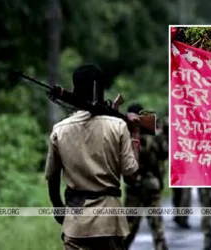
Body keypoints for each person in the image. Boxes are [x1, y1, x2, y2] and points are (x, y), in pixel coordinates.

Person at [44, 64, 141, 250]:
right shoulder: (118, 126)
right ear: (100, 91)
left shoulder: (60, 130)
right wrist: (135, 133)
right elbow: (131, 177)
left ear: (74, 90)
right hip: (109, 225)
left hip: (76, 224)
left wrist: (58, 208)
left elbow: (53, 178)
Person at [124, 104, 168, 250]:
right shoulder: (153, 135)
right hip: (152, 184)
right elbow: (165, 154)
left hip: (134, 186)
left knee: (128, 227)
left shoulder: (127, 135)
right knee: (157, 226)